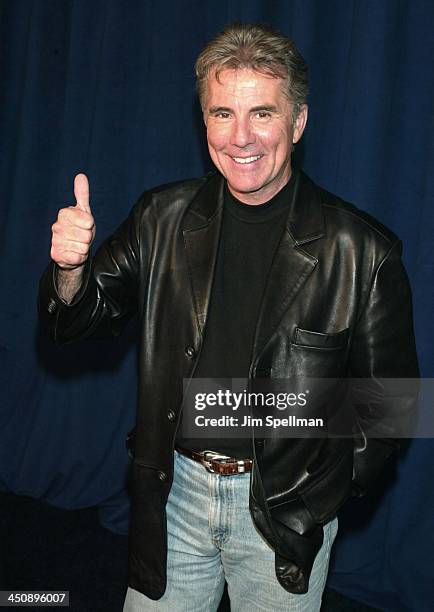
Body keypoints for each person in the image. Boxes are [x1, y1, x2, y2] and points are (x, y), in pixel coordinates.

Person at [38, 23, 418, 612]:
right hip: (173, 496)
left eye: (262, 114)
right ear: (204, 122)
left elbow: (391, 405)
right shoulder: (160, 217)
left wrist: (316, 496)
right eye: (222, 114)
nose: (241, 138)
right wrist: (70, 268)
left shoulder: (362, 250)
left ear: (298, 123)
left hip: (282, 516)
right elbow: (76, 321)